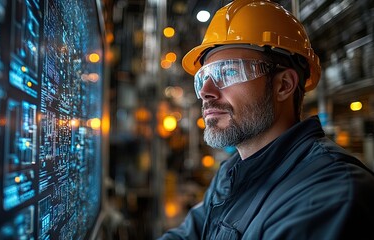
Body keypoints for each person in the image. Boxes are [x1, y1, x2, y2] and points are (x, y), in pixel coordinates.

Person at [158, 0, 374, 239]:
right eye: (203, 78)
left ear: (284, 85)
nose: (205, 91)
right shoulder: (232, 173)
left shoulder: (329, 193)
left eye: (229, 72)